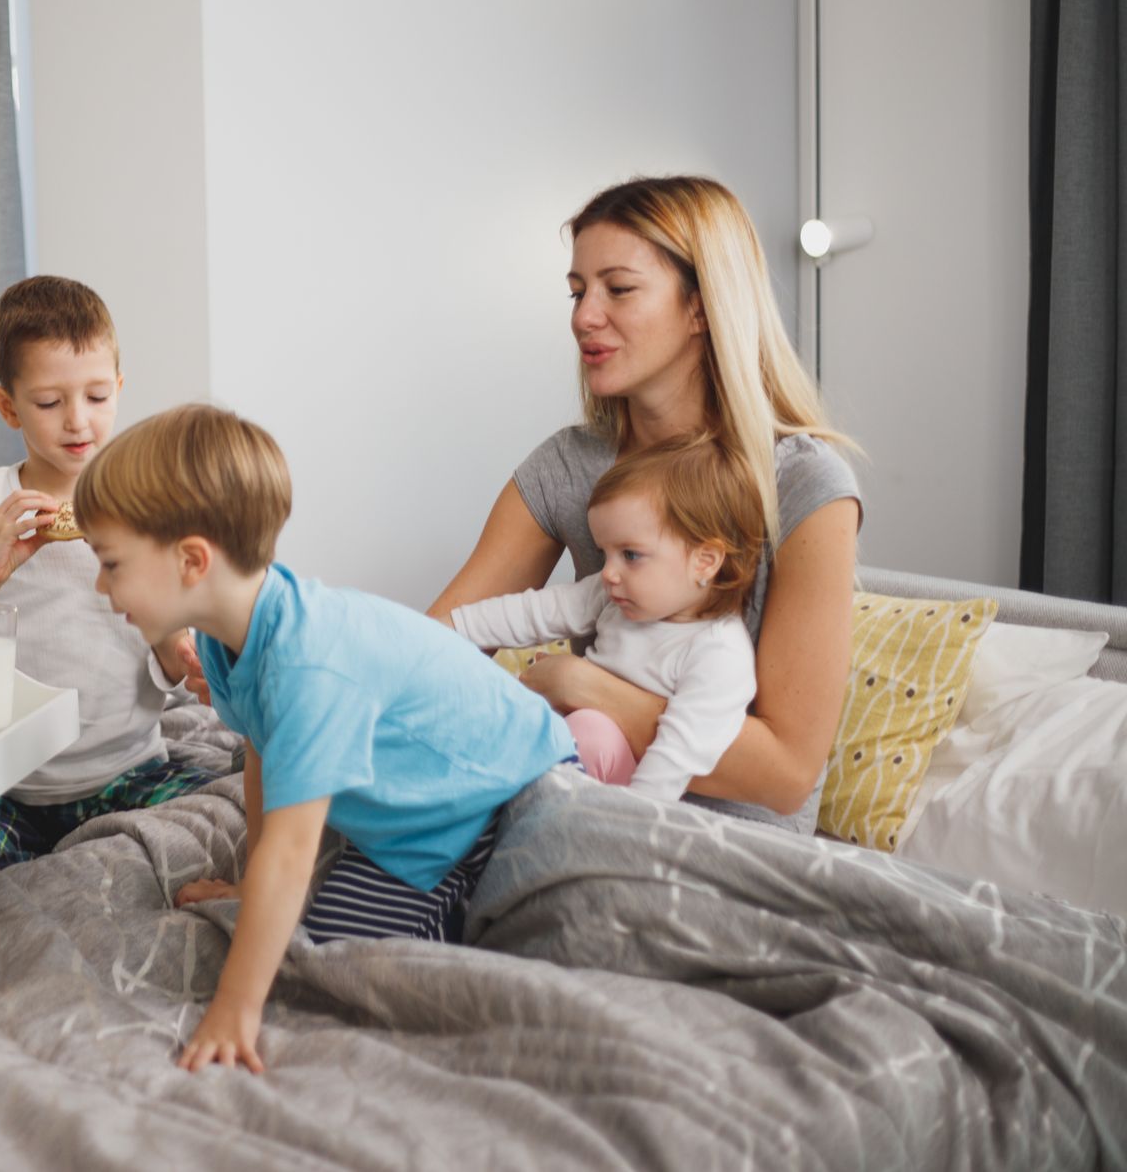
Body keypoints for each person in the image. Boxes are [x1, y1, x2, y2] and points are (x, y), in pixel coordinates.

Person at [75, 404, 575, 1074]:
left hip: (483, 794)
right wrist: (251, 885)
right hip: (420, 795)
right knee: (287, 920)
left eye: (111, 564)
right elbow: (260, 748)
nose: (101, 587)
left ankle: (468, 913)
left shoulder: (307, 664)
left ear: (193, 559)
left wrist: (236, 1008)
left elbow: (291, 851)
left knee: (327, 960)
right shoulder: (232, 638)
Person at [427, 174, 861, 832]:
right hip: (577, 803)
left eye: (618, 289)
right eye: (577, 291)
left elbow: (785, 773)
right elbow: (436, 650)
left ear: (700, 306)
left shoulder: (805, 486)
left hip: (730, 850)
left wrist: (585, 686)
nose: (583, 316)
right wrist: (283, 678)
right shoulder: (571, 466)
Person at [0, 276, 214, 890]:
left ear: (119, 389)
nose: (77, 422)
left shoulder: (154, 507)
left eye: (97, 396)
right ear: (8, 405)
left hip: (130, 775)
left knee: (227, 826)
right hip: (5, 785)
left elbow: (171, 666)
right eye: (49, 403)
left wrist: (184, 653)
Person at [447, 431, 765, 799]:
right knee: (495, 719)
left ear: (704, 561)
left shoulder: (718, 651)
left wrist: (628, 829)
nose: (609, 572)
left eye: (630, 555)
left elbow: (676, 755)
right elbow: (532, 612)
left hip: (623, 792)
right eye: (604, 553)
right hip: (569, 749)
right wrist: (451, 628)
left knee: (591, 734)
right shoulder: (613, 595)